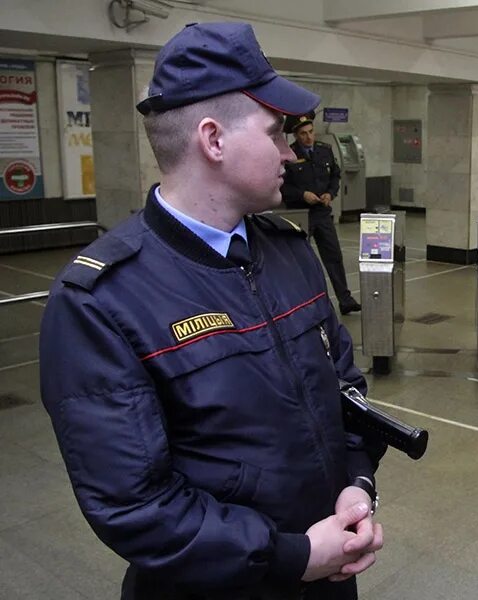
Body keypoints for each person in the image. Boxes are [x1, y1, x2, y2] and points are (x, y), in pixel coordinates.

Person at [39, 22, 386, 600]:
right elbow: (135, 504)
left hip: (328, 571)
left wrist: (358, 481)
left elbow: (344, 387)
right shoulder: (100, 302)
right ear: (213, 139)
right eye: (276, 132)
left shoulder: (288, 252)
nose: (290, 151)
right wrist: (292, 555)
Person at [281, 115, 362, 315]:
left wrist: (330, 193)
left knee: (333, 255)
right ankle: (302, 303)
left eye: (310, 132)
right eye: (303, 134)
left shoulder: (324, 151)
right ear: (295, 135)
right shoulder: (288, 155)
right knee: (301, 260)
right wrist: (302, 194)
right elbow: (281, 186)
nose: (308, 137)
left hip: (322, 213)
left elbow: (335, 175)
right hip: (300, 214)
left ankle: (345, 300)